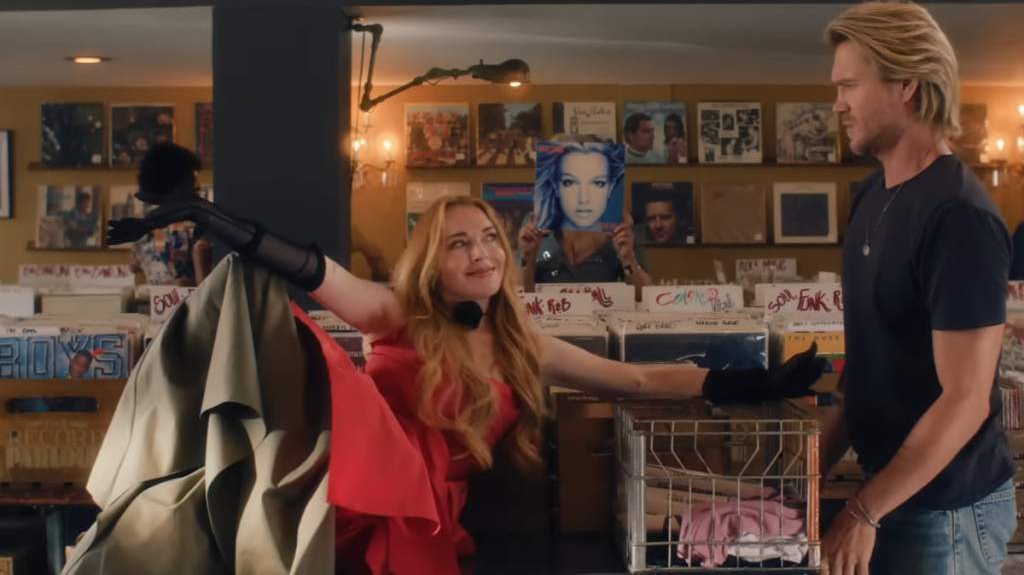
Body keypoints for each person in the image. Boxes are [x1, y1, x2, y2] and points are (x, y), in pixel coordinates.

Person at [107, 190, 826, 574]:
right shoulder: (400, 316)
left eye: (488, 238)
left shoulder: (522, 343)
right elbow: (319, 275)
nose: (480, 252)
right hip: (365, 512)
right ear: (436, 263)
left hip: (441, 519)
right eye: (459, 243)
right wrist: (218, 221)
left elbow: (637, 376)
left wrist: (758, 383)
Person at [820, 3, 1016, 574]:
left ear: (906, 83)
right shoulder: (871, 195)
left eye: (849, 85)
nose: (837, 104)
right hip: (889, 494)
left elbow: (964, 399)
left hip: (944, 513)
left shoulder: (959, 216)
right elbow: (868, 364)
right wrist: (808, 476)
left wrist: (862, 511)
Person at [520, 137, 652, 291]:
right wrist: (527, 259)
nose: (583, 198)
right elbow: (516, 298)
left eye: (598, 183)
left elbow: (645, 296)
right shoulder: (534, 225)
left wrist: (628, 259)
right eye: (569, 182)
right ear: (555, 187)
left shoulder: (621, 225)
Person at [129, 143, 212, 286]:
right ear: (175, 184)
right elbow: (206, 289)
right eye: (191, 181)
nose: (197, 187)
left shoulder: (140, 227)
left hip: (156, 304)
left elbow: (134, 266)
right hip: (189, 303)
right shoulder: (197, 225)